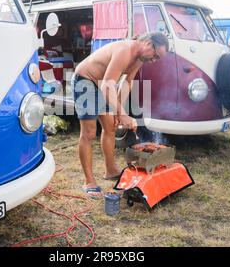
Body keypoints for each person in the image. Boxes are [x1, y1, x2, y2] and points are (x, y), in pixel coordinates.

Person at [72, 32, 169, 198]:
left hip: (102, 84)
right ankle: (89, 182)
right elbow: (107, 86)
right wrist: (122, 113)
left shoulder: (140, 58)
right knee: (89, 133)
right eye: (155, 56)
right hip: (86, 80)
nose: (153, 60)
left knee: (110, 127)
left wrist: (118, 111)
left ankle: (110, 171)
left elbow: (127, 82)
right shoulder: (125, 50)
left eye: (157, 59)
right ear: (148, 43)